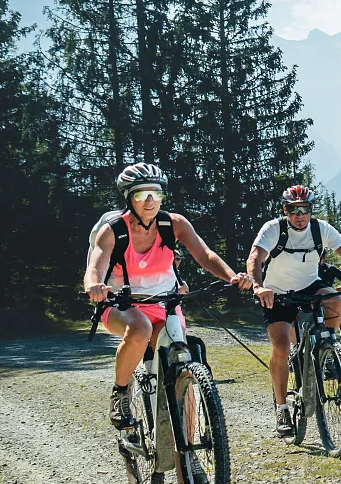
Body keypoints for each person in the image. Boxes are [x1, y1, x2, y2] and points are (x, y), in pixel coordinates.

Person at [83, 163, 251, 428]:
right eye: (141, 194)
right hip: (121, 304)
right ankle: (121, 392)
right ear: (129, 198)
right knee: (140, 329)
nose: (150, 201)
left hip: (165, 302)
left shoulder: (173, 224)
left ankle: (190, 444)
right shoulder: (114, 230)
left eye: (156, 193)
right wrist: (94, 285)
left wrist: (231, 276)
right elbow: (96, 264)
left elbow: (205, 255)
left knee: (180, 360)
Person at [247, 186, 341, 437]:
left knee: (333, 298)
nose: (299, 215)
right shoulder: (273, 229)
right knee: (282, 348)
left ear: (310, 210)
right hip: (276, 293)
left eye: (304, 210)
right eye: (293, 210)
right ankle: (282, 407)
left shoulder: (320, 229)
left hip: (308, 287)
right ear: (285, 211)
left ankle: (328, 349)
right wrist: (258, 286)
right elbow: (255, 258)